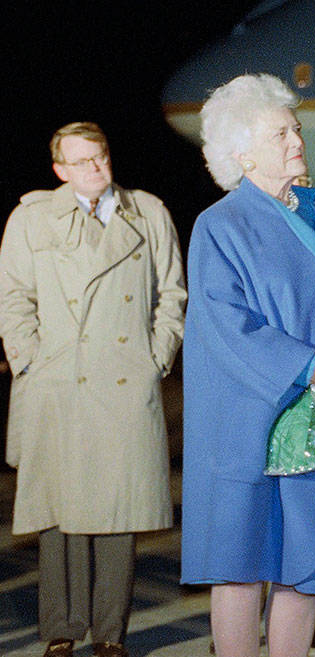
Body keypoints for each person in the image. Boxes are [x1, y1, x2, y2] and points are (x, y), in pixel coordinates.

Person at [181, 74, 315, 657]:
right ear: (242, 155)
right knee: (243, 565)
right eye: (280, 133)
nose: (296, 139)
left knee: (304, 567)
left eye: (296, 128)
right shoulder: (220, 224)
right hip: (254, 419)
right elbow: (228, 326)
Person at [0, 122, 186, 657]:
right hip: (57, 378)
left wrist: (156, 357)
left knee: (116, 512)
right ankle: (61, 629)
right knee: (58, 513)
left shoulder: (147, 212)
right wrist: (30, 361)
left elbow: (171, 293)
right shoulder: (32, 218)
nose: (94, 169)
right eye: (80, 163)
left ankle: (109, 633)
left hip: (123, 378)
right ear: (59, 169)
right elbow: (14, 297)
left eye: (100, 158)